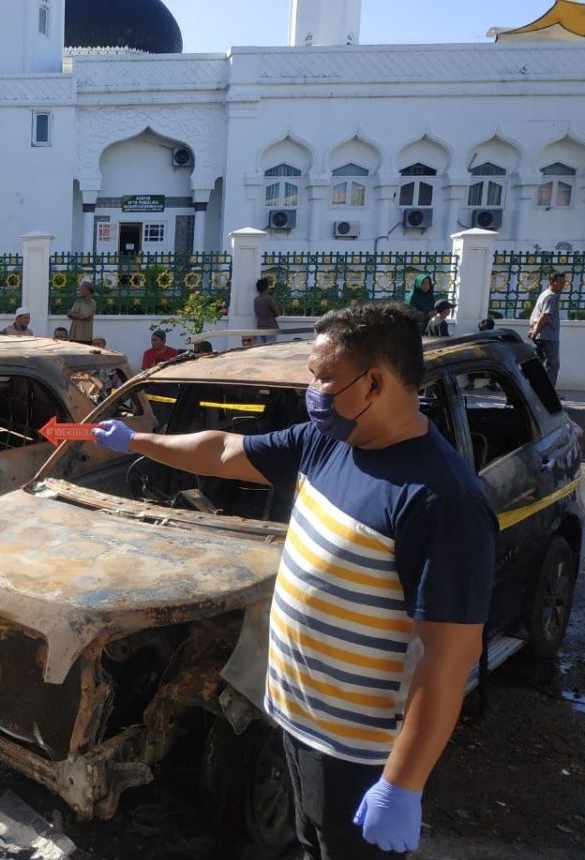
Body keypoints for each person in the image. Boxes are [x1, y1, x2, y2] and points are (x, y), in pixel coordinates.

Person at [92, 302, 495, 859]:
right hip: (297, 718)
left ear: (374, 382)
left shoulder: (438, 498)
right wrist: (136, 441)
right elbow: (224, 450)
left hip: (359, 752)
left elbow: (449, 656)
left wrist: (403, 783)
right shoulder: (330, 443)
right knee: (311, 844)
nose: (313, 390)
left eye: (323, 378)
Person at [528, 271, 566, 387]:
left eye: (563, 282)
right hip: (548, 337)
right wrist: (535, 331)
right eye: (559, 282)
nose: (562, 285)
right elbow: (545, 316)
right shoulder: (551, 296)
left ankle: (532, 390)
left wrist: (533, 329)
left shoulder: (545, 294)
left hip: (542, 336)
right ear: (551, 282)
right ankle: (549, 394)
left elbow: (537, 315)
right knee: (553, 365)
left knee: (536, 365)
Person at [254, 277, 282, 343]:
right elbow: (277, 313)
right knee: (270, 349)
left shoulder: (256, 300)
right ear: (267, 287)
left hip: (260, 327)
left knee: (261, 349)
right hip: (270, 328)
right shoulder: (269, 299)